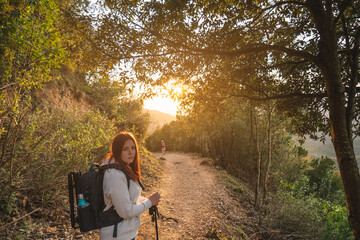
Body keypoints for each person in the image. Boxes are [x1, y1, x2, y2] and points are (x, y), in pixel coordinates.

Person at [100, 132, 161, 240]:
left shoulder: (123, 168)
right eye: (125, 149)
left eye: (133, 148)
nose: (131, 152)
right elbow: (126, 211)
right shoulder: (115, 175)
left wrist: (147, 200)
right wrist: (149, 202)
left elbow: (130, 199)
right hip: (117, 236)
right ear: (118, 151)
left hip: (125, 233)